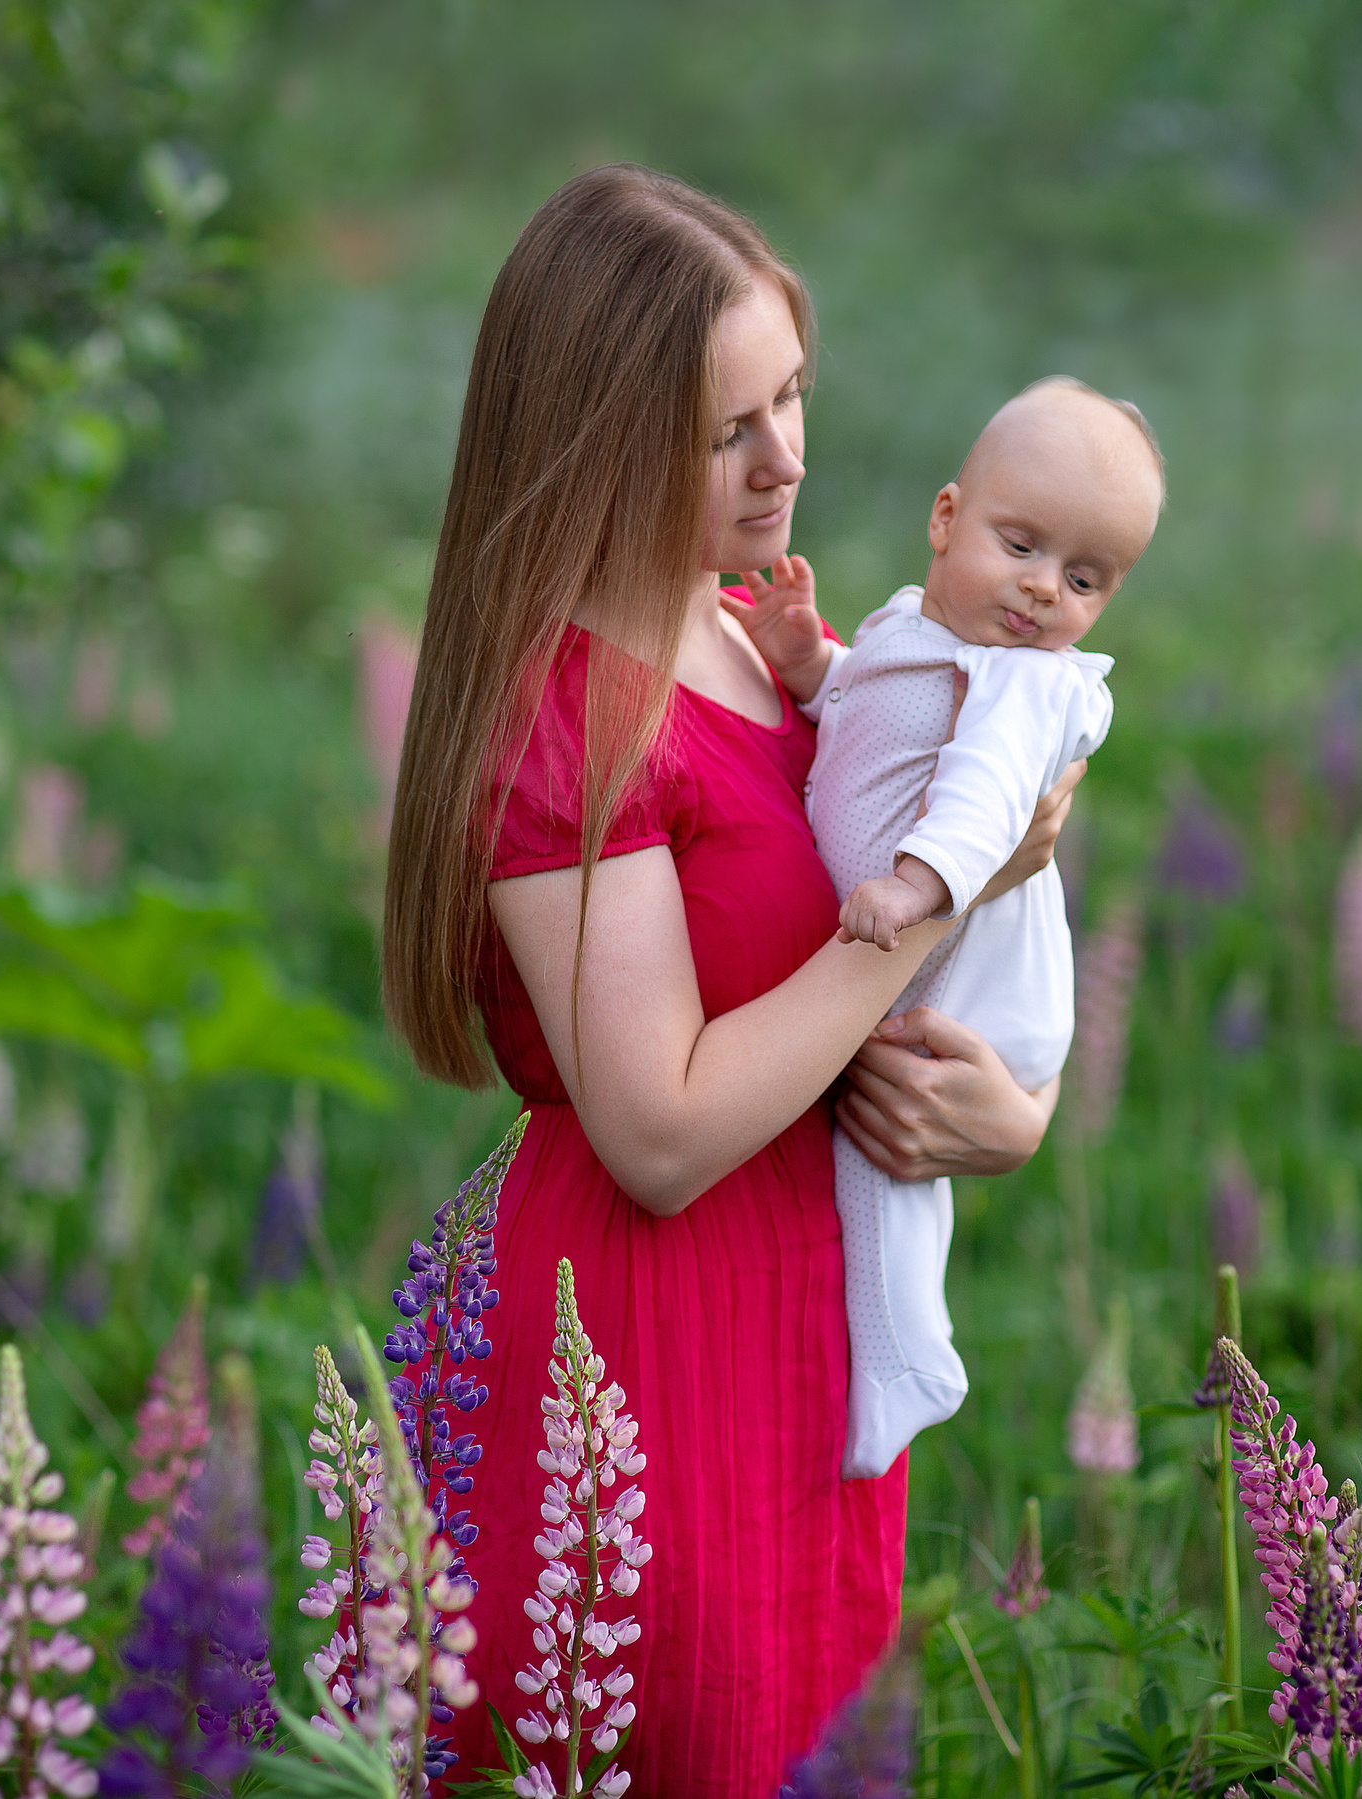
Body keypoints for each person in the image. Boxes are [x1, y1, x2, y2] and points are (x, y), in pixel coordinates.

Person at [380, 163, 1084, 1795]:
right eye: (728, 433)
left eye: (793, 398)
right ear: (598, 441)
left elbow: (844, 974)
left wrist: (1006, 1112)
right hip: (647, 1363)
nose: (790, 462)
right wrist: (942, 888)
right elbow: (666, 1124)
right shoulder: (566, 712)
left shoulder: (730, 618)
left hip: (807, 1343)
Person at [734, 377, 1164, 1480]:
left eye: (1082, 578)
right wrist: (805, 664)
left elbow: (981, 797)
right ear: (943, 518)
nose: (1038, 591)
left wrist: (916, 887)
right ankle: (887, 1359)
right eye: (1019, 544)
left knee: (885, 1172)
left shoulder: (1026, 682)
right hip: (914, 964)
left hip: (968, 986)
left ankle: (903, 1364)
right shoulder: (905, 625)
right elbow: (870, 715)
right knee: (867, 1154)